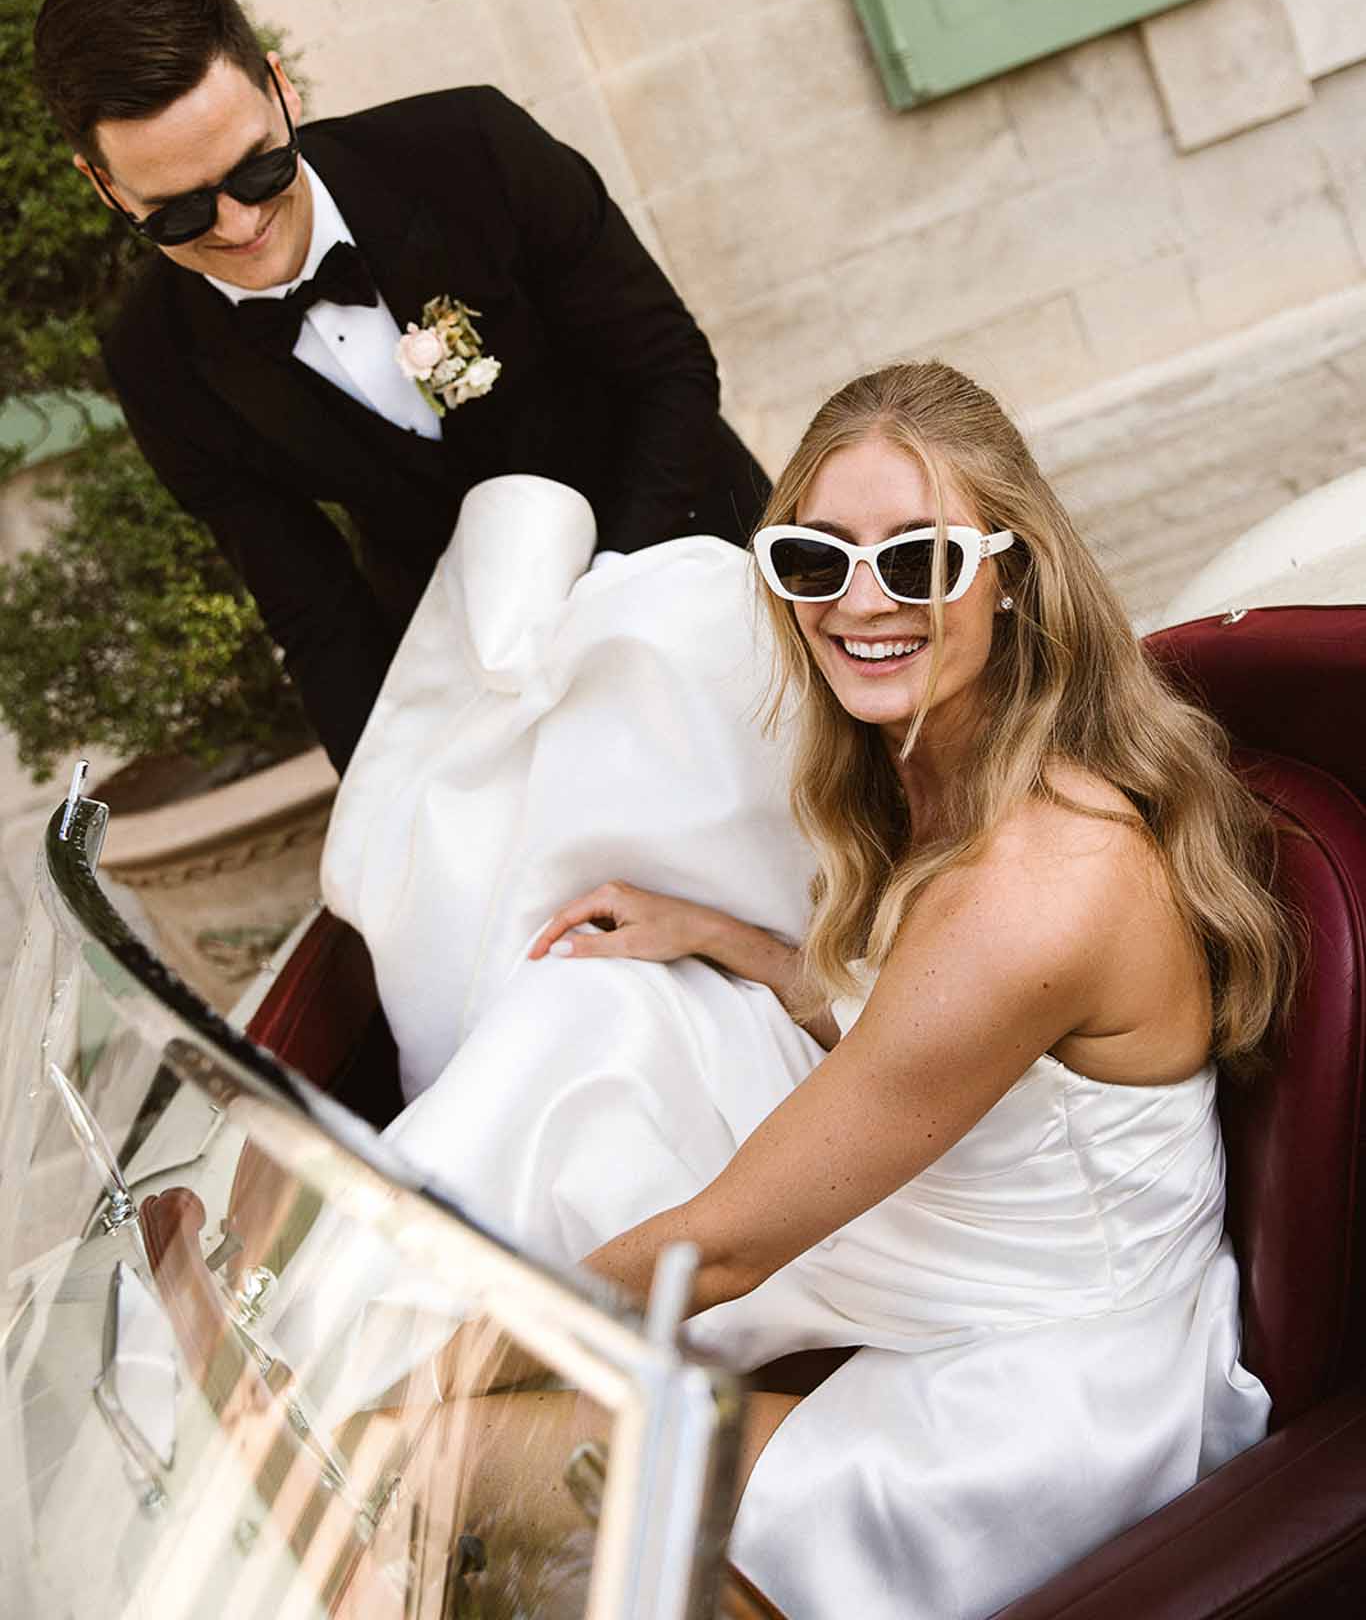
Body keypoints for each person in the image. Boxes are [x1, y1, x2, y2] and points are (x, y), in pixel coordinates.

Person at [309, 360, 1294, 1618]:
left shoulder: (1035, 880)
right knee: (605, 1017)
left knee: (416, 1456)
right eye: (816, 561)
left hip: (1043, 1382)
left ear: (1012, 572)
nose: (861, 601)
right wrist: (734, 942)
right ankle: (337, 1331)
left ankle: (331, 1401)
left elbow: (719, 1249)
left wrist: (448, 1363)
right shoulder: (942, 763)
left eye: (918, 559)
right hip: (968, 1235)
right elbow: (926, 1027)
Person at [31, 0, 768, 771]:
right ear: (105, 187)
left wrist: (610, 596)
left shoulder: (473, 147)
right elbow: (315, 614)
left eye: (258, 168)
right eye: (178, 213)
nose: (238, 226)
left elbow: (669, 368)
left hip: (690, 545)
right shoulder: (156, 362)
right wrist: (384, 803)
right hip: (483, 676)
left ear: (281, 88)